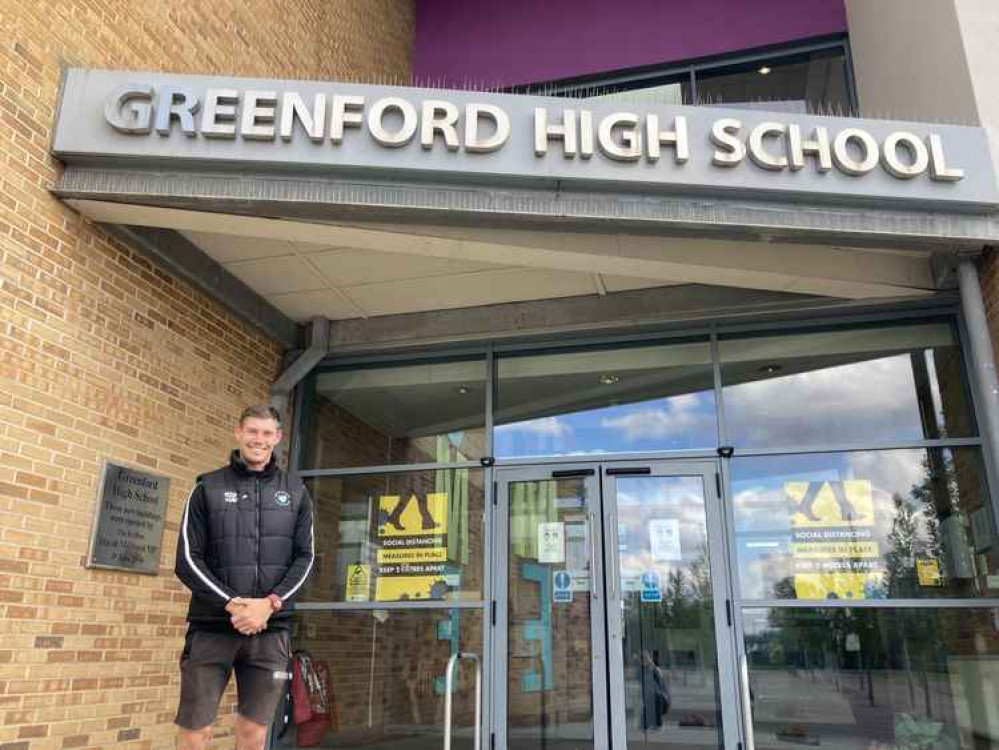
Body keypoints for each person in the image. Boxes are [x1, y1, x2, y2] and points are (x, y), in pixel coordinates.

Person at [174, 405, 315, 750]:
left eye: (267, 433)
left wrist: (268, 605)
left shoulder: (296, 491)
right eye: (252, 431)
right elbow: (187, 559)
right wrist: (232, 605)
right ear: (238, 433)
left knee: (253, 733)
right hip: (211, 628)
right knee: (196, 731)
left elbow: (306, 557)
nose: (259, 439)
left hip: (270, 631)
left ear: (278, 438)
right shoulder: (207, 487)